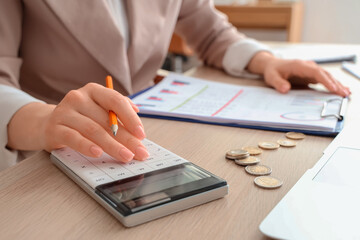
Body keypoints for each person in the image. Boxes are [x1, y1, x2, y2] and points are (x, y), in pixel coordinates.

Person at [0, 0, 350, 171]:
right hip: (45, 155)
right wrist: (46, 121)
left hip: (152, 133)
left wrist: (265, 61)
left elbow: (212, 33)